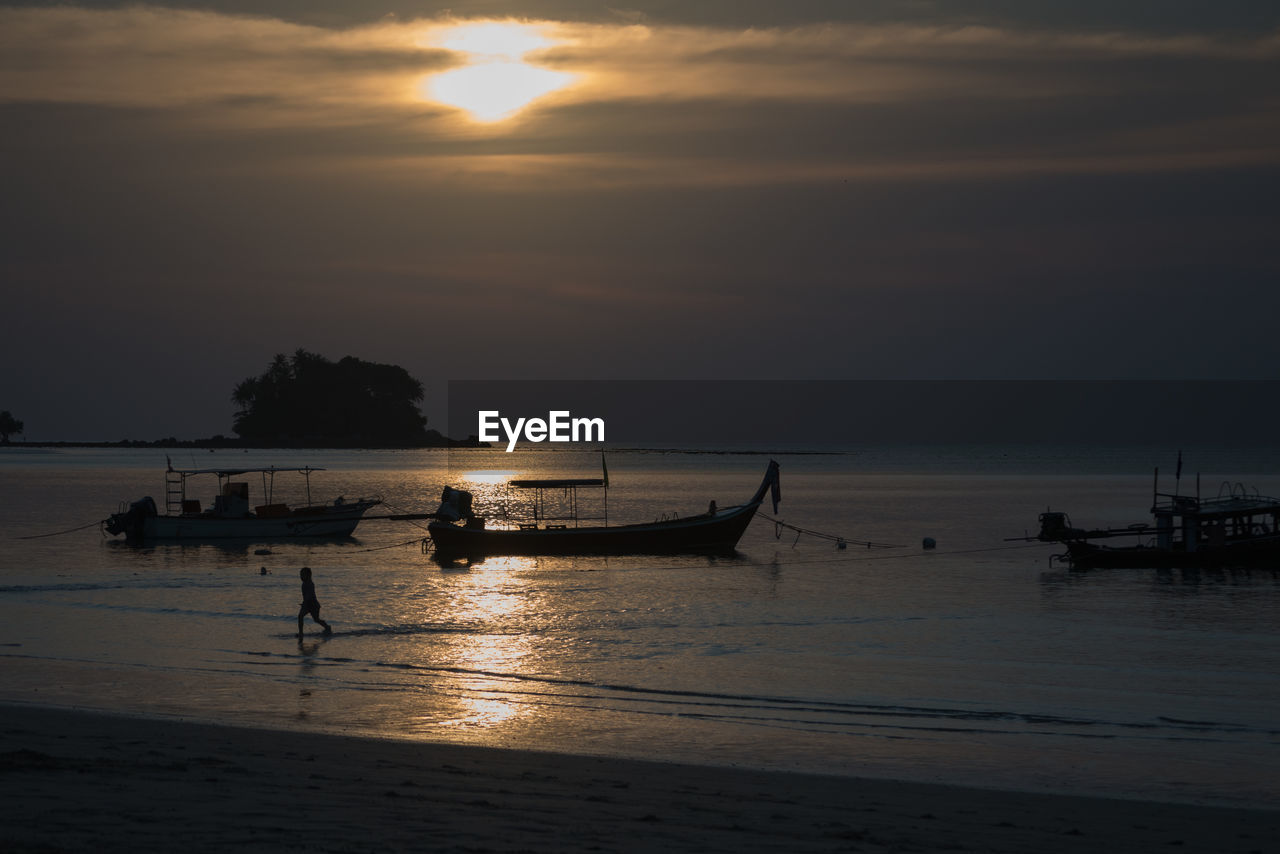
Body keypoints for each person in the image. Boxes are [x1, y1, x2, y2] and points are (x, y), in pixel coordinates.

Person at [297, 567, 331, 638]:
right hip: (306, 604)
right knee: (300, 616)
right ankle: (301, 633)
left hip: (313, 605)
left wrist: (305, 602)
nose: (301, 577)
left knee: (316, 619)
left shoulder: (310, 584)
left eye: (302, 575)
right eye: (300, 575)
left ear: (308, 575)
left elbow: (309, 595)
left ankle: (327, 626)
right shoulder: (304, 584)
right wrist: (304, 603)